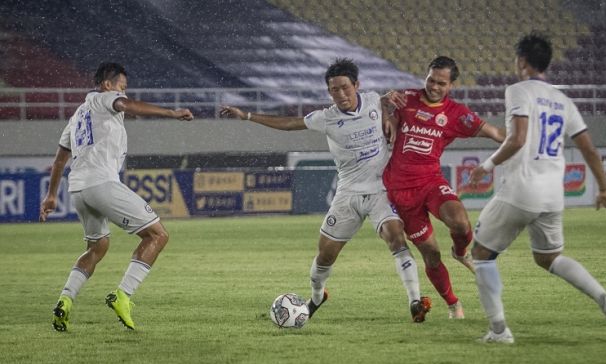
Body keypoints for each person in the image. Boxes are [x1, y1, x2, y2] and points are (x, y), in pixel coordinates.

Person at [220, 58, 432, 322]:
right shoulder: (326, 118)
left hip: (380, 191)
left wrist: (388, 109)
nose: (341, 94)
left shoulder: (374, 101)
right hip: (347, 194)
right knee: (325, 256)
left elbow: (392, 103)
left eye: (345, 87)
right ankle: (317, 297)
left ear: (357, 85)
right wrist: (247, 115)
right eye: (334, 90)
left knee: (395, 237)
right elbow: (289, 124)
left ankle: (414, 301)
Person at [469, 32, 606, 344]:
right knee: (549, 258)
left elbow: (517, 139)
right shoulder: (563, 101)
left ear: (523, 61)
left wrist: (485, 166)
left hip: (520, 191)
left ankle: (499, 331)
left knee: (481, 254)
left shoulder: (518, 90)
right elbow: (590, 150)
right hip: (553, 196)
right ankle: (605, 300)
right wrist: (604, 189)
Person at [40, 62, 194, 331]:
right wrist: (172, 112)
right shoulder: (104, 99)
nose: (123, 93)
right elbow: (128, 105)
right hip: (101, 183)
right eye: (122, 87)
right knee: (158, 235)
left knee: (97, 247)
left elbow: (59, 160)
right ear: (107, 84)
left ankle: (65, 300)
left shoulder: (77, 115)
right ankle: (123, 295)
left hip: (78, 189)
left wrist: (51, 196)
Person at [382, 56, 504, 319]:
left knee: (460, 222)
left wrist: (520, 142)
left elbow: (494, 133)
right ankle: (452, 304)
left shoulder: (456, 114)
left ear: (451, 86)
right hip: (401, 192)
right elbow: (379, 106)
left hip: (431, 182)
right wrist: (385, 108)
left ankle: (460, 253)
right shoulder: (406, 99)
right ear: (425, 76)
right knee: (432, 255)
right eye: (430, 80)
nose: (434, 86)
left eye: (441, 83)